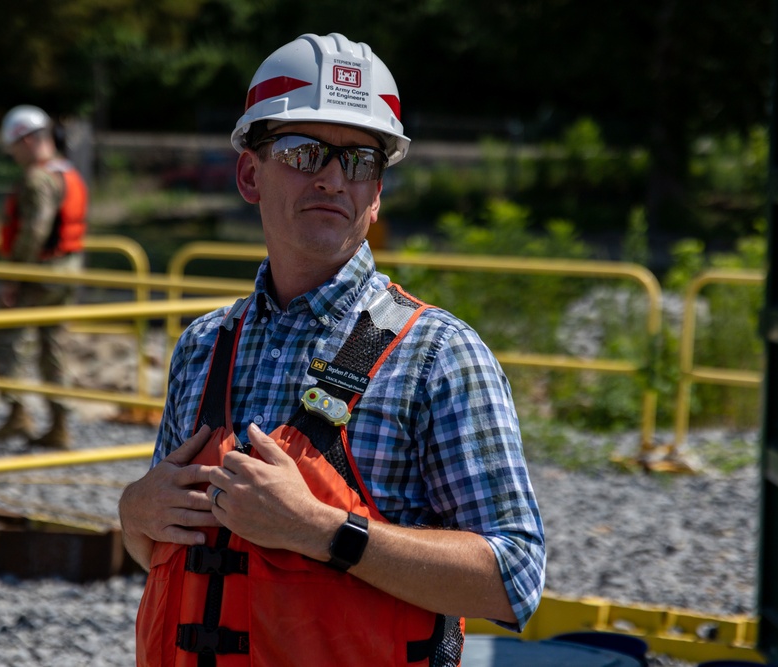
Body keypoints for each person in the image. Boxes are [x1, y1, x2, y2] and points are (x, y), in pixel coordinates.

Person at [118, 33, 545, 666]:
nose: (331, 178)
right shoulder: (205, 345)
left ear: (377, 194)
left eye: (360, 160)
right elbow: (166, 544)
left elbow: (515, 581)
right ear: (249, 174)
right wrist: (133, 513)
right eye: (303, 150)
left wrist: (320, 531)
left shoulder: (437, 355)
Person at [0, 105, 88, 449]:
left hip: (40, 273)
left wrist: (14, 277)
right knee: (52, 345)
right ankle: (59, 424)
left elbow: (35, 230)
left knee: (0, 339)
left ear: (28, 140)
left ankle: (17, 412)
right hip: (68, 270)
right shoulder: (67, 172)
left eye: (14, 147)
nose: (13, 155)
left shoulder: (37, 178)